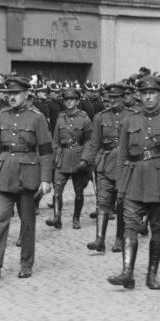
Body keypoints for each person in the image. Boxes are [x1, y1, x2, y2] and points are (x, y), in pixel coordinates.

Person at [108, 76, 160, 290]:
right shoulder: (129, 121)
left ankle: (152, 275)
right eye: (144, 93)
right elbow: (123, 155)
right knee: (130, 227)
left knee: (158, 229)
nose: (148, 96)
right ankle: (127, 273)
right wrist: (120, 187)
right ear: (138, 96)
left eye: (152, 93)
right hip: (134, 182)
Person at [0, 76, 53, 280]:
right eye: (9, 94)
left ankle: (26, 263)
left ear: (26, 94)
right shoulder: (2, 116)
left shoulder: (36, 118)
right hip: (5, 174)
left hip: (28, 175)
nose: (12, 97)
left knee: (27, 222)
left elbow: (46, 150)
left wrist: (46, 179)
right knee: (1, 219)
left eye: (16, 94)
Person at [86, 83, 131, 252]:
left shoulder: (132, 116)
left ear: (123, 98)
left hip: (124, 165)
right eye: (110, 98)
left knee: (122, 203)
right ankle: (99, 239)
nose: (112, 101)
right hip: (104, 164)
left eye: (115, 98)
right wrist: (89, 161)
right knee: (103, 202)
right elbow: (94, 142)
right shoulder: (100, 117)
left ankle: (119, 239)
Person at [47, 87, 92, 229]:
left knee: (78, 192)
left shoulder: (84, 119)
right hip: (62, 157)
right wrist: (54, 157)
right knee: (57, 190)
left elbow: (89, 142)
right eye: (66, 99)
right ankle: (57, 217)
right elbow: (55, 140)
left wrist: (85, 159)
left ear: (78, 101)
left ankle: (76, 218)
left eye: (72, 99)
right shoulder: (60, 118)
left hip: (78, 159)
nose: (69, 102)